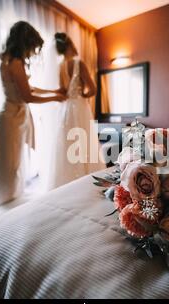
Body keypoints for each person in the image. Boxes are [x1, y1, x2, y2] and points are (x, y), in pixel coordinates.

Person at [0, 21, 65, 204]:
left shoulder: (8, 60)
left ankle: (9, 198)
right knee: (9, 165)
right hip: (11, 117)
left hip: (14, 116)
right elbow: (28, 97)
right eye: (32, 46)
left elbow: (29, 88)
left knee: (12, 163)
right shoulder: (15, 62)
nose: (33, 51)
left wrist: (53, 92)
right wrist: (55, 98)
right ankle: (7, 200)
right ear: (24, 42)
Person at [41, 32, 106, 189]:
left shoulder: (60, 66)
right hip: (79, 107)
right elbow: (93, 89)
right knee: (83, 140)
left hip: (65, 110)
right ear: (70, 44)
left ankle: (65, 182)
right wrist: (82, 94)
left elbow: (62, 91)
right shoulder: (78, 63)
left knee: (66, 142)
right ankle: (85, 180)